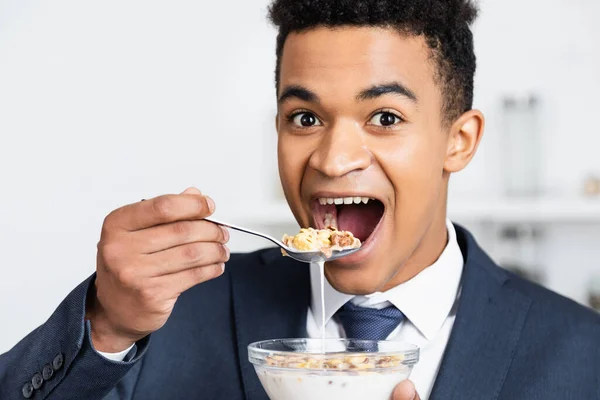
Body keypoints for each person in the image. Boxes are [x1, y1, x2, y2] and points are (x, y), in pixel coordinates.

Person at [1, 0, 599, 399]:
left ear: (458, 141)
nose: (333, 160)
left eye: (384, 116)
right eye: (305, 116)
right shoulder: (166, 315)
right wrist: (105, 322)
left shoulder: (581, 353)